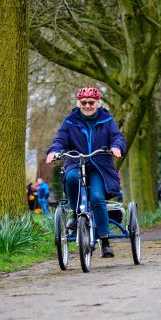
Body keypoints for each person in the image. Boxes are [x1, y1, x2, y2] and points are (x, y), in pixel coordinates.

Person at [45, 86, 126, 258]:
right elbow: (60, 139)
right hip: (75, 161)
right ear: (79, 103)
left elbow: (117, 137)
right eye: (84, 103)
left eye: (91, 102)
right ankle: (75, 215)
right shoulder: (70, 120)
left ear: (97, 103)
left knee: (97, 198)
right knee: (72, 178)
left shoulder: (106, 119)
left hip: (99, 164)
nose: (87, 105)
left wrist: (116, 147)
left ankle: (105, 242)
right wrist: (54, 151)